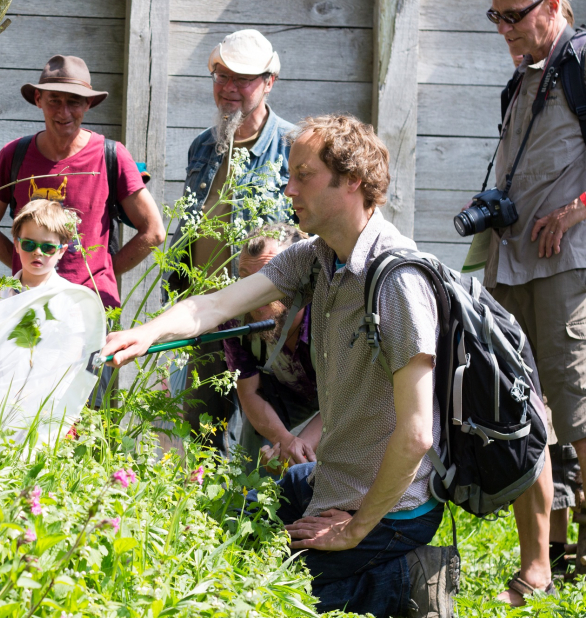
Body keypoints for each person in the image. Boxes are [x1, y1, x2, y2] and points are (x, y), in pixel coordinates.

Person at [104, 114, 514, 616]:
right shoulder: (316, 257)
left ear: (353, 182)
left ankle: (409, 579)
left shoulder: (397, 284)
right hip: (334, 479)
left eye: (303, 175)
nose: (287, 186)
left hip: (390, 508)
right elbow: (213, 306)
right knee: (266, 513)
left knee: (269, 598)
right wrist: (144, 334)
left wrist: (355, 528)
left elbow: (416, 437)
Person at [479, 0, 586, 604]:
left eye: (514, 13)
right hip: (510, 266)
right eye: (493, 15)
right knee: (524, 416)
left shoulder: (580, 59)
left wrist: (576, 209)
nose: (504, 28)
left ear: (554, 6)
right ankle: (538, 567)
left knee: (581, 417)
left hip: (568, 267)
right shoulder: (521, 80)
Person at [171, 29, 298, 454]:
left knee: (266, 440)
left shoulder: (295, 147)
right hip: (207, 316)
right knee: (200, 429)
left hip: (270, 320)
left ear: (269, 81)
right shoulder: (203, 147)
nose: (228, 89)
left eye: (242, 79)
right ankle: (199, 518)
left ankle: (252, 514)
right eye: (221, 76)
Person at [0, 55, 165, 310]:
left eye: (74, 102)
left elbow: (154, 231)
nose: (64, 112)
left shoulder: (111, 155)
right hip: (28, 301)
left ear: (88, 104)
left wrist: (104, 272)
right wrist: (26, 263)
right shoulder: (14, 155)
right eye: (54, 101)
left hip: (90, 303)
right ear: (38, 100)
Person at [218, 224, 319, 470]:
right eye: (245, 278)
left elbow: (346, 402)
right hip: (283, 394)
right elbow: (249, 392)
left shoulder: (327, 309)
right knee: (259, 464)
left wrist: (300, 446)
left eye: (267, 277)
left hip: (344, 400)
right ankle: (248, 503)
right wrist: (284, 441)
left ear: (301, 276)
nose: (254, 292)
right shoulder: (235, 318)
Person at [1, 199, 77, 298]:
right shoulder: (0, 294)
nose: (37, 252)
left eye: (48, 247)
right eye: (29, 244)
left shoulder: (69, 297)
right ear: (17, 244)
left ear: (61, 251)